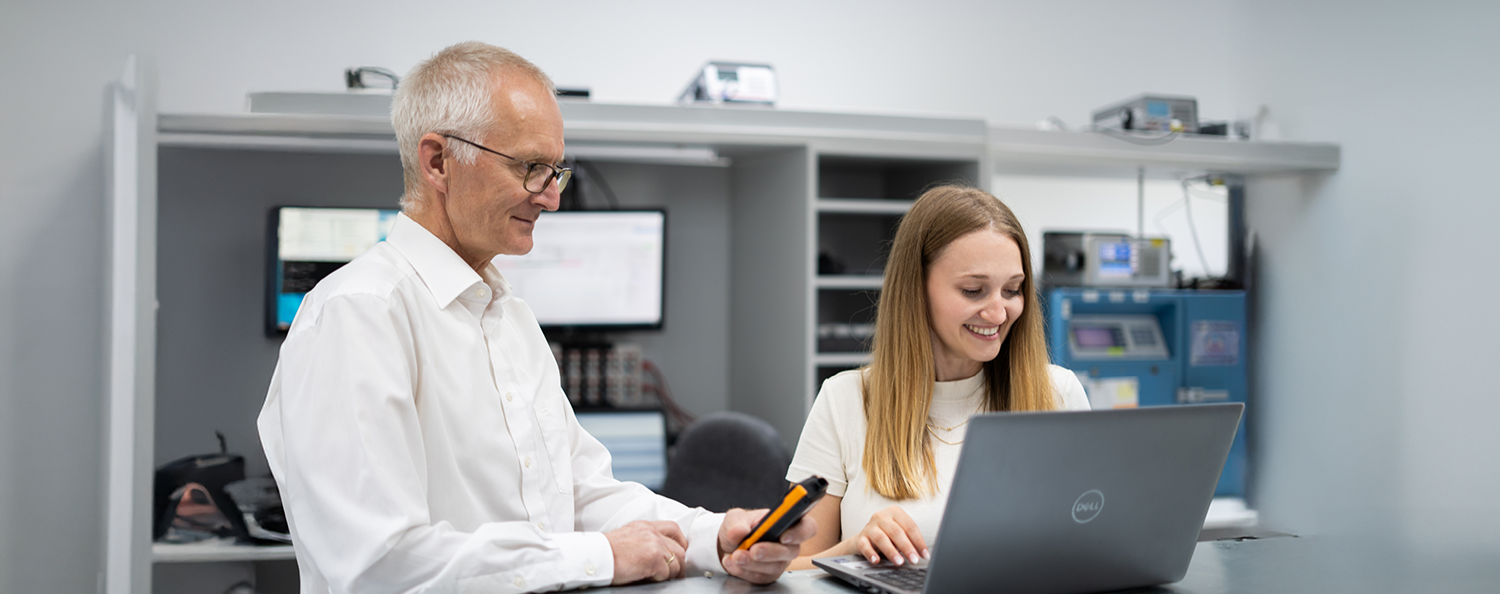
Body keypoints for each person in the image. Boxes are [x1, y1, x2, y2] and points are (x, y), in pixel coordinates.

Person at [257, 41, 812, 593]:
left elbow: (582, 493)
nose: (551, 198)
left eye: (555, 171)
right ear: (438, 161)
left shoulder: (508, 317)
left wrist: (715, 537)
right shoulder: (358, 315)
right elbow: (379, 564)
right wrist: (599, 557)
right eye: (530, 168)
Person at [784, 185, 1089, 570]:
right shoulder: (844, 399)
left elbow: (1095, 540)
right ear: (916, 290)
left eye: (1012, 290)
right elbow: (788, 570)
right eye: (973, 291)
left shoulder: (1058, 393)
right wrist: (853, 549)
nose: (998, 313)